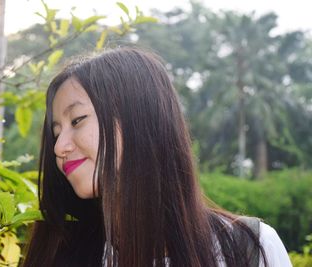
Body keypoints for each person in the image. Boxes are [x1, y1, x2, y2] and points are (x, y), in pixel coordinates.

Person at [23, 47, 292, 267]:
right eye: (56, 132)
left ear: (137, 121)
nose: (60, 147)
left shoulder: (249, 249)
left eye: (77, 120)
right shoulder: (58, 253)